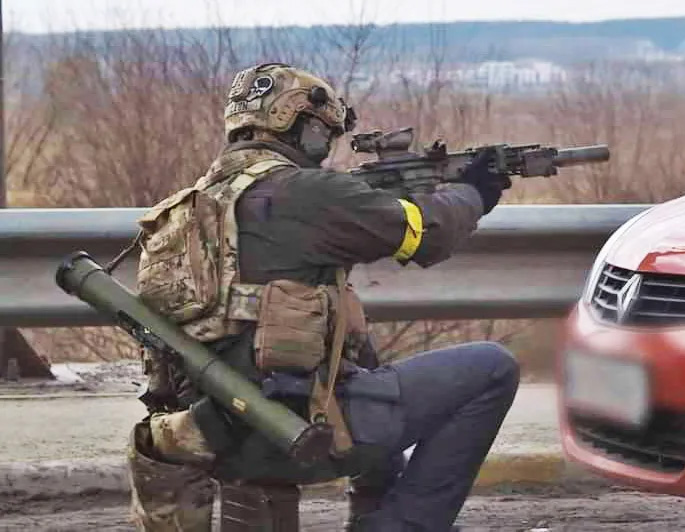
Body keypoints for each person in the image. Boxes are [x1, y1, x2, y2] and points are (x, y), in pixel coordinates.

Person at [127, 63, 519, 532]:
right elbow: (426, 234)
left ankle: (373, 512)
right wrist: (473, 193)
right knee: (491, 369)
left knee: (363, 362)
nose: (328, 147)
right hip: (292, 433)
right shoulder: (307, 192)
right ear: (302, 126)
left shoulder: (186, 209)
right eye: (324, 133)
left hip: (210, 433)